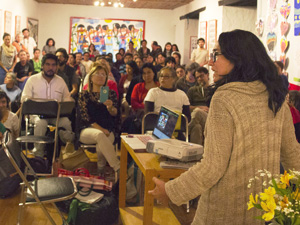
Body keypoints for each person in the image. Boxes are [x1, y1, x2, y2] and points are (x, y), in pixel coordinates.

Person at [149, 29, 300, 224]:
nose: (210, 62)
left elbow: (212, 167)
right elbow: (293, 155)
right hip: (264, 209)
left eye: (216, 55)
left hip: (224, 209)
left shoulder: (225, 98)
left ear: (238, 57)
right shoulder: (274, 97)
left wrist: (170, 191)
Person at [21, 53, 75, 158]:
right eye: (48, 64)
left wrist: (68, 103)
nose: (50, 68)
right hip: (36, 115)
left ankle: (63, 154)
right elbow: (25, 99)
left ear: (57, 67)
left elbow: (67, 99)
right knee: (40, 123)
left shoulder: (60, 81)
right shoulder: (32, 80)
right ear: (42, 65)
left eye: (53, 65)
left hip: (56, 115)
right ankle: (38, 154)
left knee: (66, 123)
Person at [78, 63, 120, 177]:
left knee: (101, 146)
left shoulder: (109, 93)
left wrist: (110, 107)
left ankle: (100, 171)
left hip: (108, 128)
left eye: (103, 74)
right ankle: (118, 168)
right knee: (100, 135)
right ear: (91, 77)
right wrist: (102, 129)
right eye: (98, 74)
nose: (101, 76)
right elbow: (85, 118)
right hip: (88, 130)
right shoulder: (84, 95)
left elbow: (115, 114)